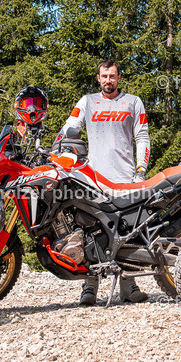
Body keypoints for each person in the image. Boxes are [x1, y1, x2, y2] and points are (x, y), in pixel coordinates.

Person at [56, 60, 151, 306]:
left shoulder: (133, 102)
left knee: (128, 231)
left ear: (119, 78)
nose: (108, 80)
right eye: (104, 76)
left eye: (112, 76)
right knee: (89, 229)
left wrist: (140, 171)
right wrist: (61, 146)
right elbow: (69, 127)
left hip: (125, 177)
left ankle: (129, 285)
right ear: (98, 78)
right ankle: (89, 286)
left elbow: (142, 136)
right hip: (91, 178)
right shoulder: (87, 101)